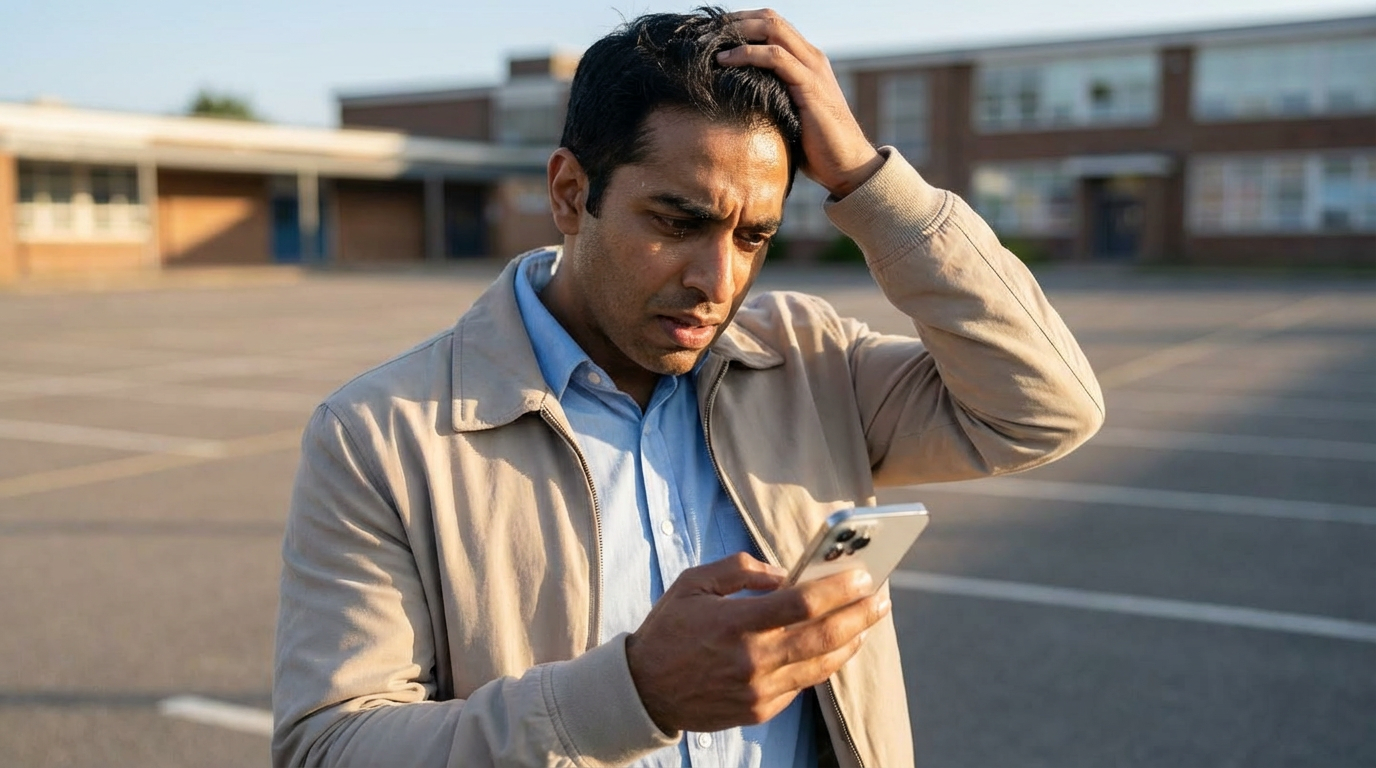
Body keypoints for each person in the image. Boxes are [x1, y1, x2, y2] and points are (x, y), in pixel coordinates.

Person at [272, 7, 1104, 768]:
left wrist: (866, 181)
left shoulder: (808, 363)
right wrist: (632, 695)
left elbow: (1045, 408)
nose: (718, 279)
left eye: (754, 236)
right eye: (678, 223)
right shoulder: (383, 432)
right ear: (570, 193)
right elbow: (330, 745)